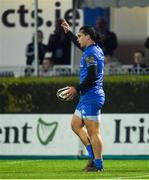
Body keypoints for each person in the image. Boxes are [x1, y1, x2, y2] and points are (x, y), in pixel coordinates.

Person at [61, 20, 105, 172]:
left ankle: (98, 165)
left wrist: (76, 89)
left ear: (88, 37)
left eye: (80, 36)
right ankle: (93, 157)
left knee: (93, 131)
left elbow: (92, 75)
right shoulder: (92, 50)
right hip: (87, 96)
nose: (78, 39)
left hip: (92, 96)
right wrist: (69, 33)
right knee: (75, 125)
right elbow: (78, 43)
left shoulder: (91, 53)